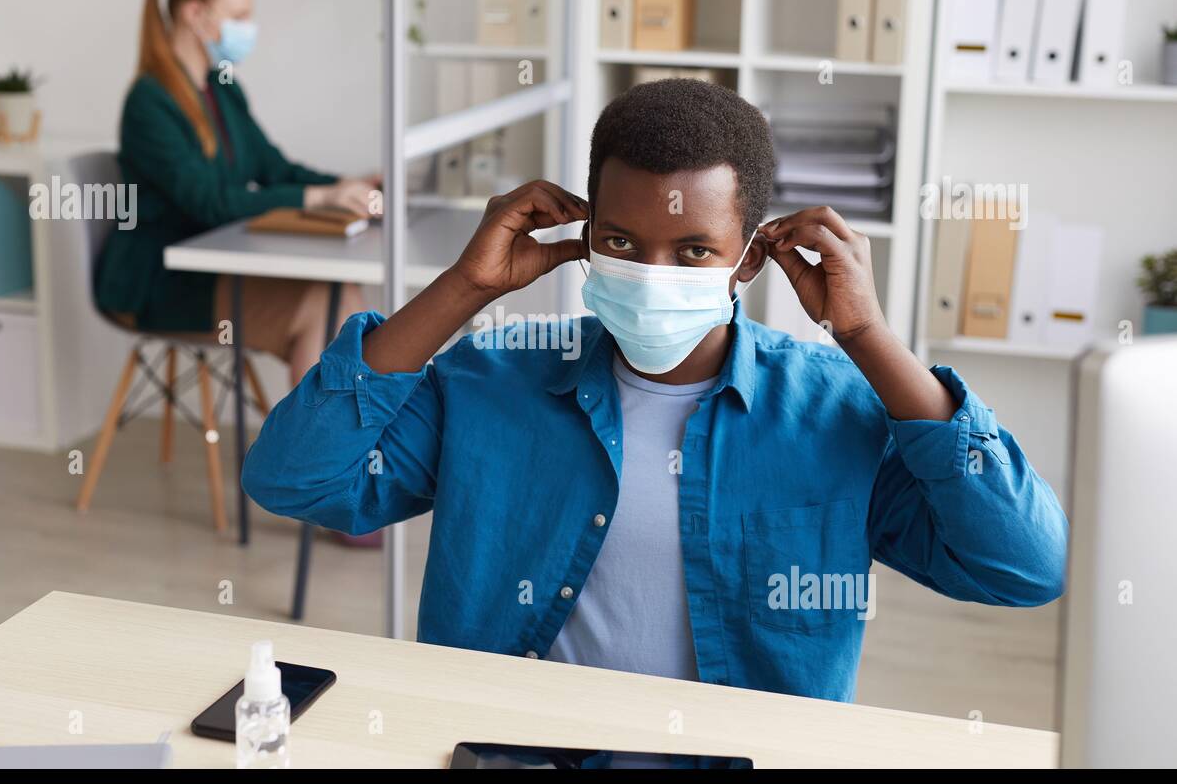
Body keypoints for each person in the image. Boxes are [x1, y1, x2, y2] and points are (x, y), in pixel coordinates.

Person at [242, 78, 1067, 701]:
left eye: (693, 250)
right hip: (517, 746)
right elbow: (293, 478)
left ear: (750, 256)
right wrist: (465, 287)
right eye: (622, 240)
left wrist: (868, 340)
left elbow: (1025, 568)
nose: (650, 271)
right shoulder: (493, 382)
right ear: (586, 236)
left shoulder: (835, 413)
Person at [95, 0, 373, 388]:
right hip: (158, 279)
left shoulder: (222, 88)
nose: (249, 28)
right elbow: (210, 202)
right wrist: (322, 198)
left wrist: (344, 186)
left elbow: (273, 168)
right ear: (195, 14)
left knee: (345, 301)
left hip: (213, 262)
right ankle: (311, 452)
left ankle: (325, 449)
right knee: (327, 305)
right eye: (240, 16)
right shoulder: (150, 101)